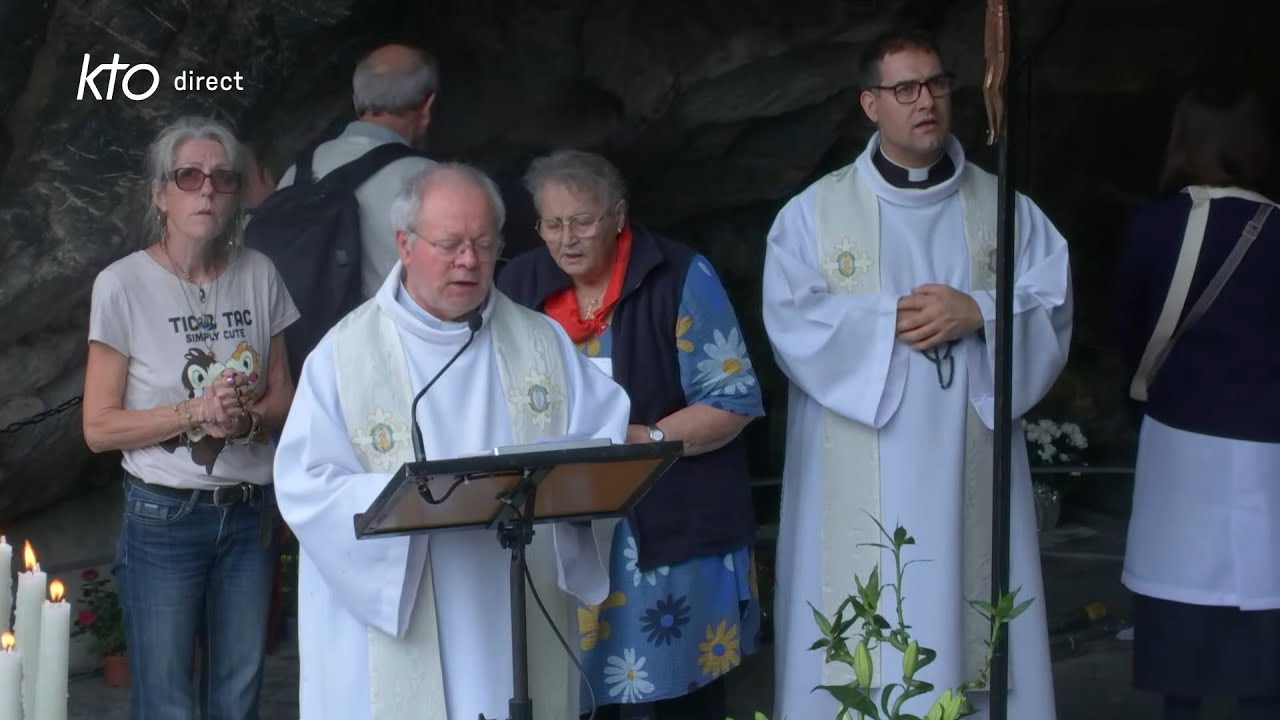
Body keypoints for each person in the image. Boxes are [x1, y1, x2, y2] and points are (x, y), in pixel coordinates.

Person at [761, 29, 1071, 719]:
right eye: (905, 89)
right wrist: (886, 321)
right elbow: (791, 321)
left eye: (936, 84)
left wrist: (980, 312)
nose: (924, 101)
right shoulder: (811, 216)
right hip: (865, 456)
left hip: (972, 455)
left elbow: (1052, 304)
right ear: (871, 103)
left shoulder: (1006, 208)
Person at [273, 162, 633, 720]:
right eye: (450, 244)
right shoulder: (345, 356)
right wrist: (406, 500)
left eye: (483, 244)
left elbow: (603, 442)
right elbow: (306, 486)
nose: (468, 260)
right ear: (405, 245)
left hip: (512, 602)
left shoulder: (541, 343)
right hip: (405, 607)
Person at [499, 149, 763, 719]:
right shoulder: (518, 285)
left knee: (672, 706)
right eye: (552, 223)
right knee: (570, 700)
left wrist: (635, 442)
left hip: (667, 536)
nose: (567, 239)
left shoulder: (679, 273)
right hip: (561, 534)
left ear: (618, 216)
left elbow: (731, 399)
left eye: (583, 221)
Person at [82, 115, 299, 718]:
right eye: (188, 176)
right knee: (168, 699)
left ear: (236, 194)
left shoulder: (259, 274)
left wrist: (245, 422)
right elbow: (98, 428)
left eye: (222, 178)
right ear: (160, 193)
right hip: (164, 518)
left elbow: (284, 394)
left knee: (238, 693)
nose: (206, 189)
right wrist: (195, 411)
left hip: (250, 514)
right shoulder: (122, 285)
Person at [1114, 81, 1280, 720]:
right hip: (1267, 451)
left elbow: (1130, 333)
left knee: (1179, 617)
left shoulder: (1155, 227)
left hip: (1179, 443)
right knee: (1265, 617)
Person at [276, 42, 438, 300]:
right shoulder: (434, 184)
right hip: (388, 338)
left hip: (303, 339)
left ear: (355, 102)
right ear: (428, 106)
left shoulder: (296, 173)